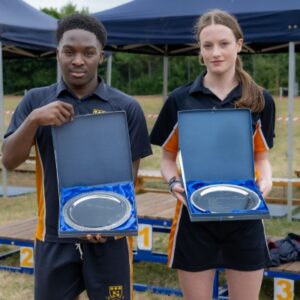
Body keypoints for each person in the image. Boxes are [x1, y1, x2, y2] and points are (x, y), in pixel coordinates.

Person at [2, 13, 152, 300]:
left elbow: (129, 176)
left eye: (88, 52)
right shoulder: (36, 101)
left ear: (101, 56)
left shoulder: (126, 107)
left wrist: (107, 222)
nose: (78, 60)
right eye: (69, 51)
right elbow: (8, 160)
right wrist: (34, 120)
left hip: (110, 237)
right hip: (53, 238)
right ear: (57, 53)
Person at [150, 9, 275, 300]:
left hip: (245, 217)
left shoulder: (260, 99)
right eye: (208, 46)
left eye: (224, 44)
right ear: (200, 51)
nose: (216, 52)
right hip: (195, 218)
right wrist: (172, 183)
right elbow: (168, 159)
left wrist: (265, 182)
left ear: (239, 45)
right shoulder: (180, 100)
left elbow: (262, 158)